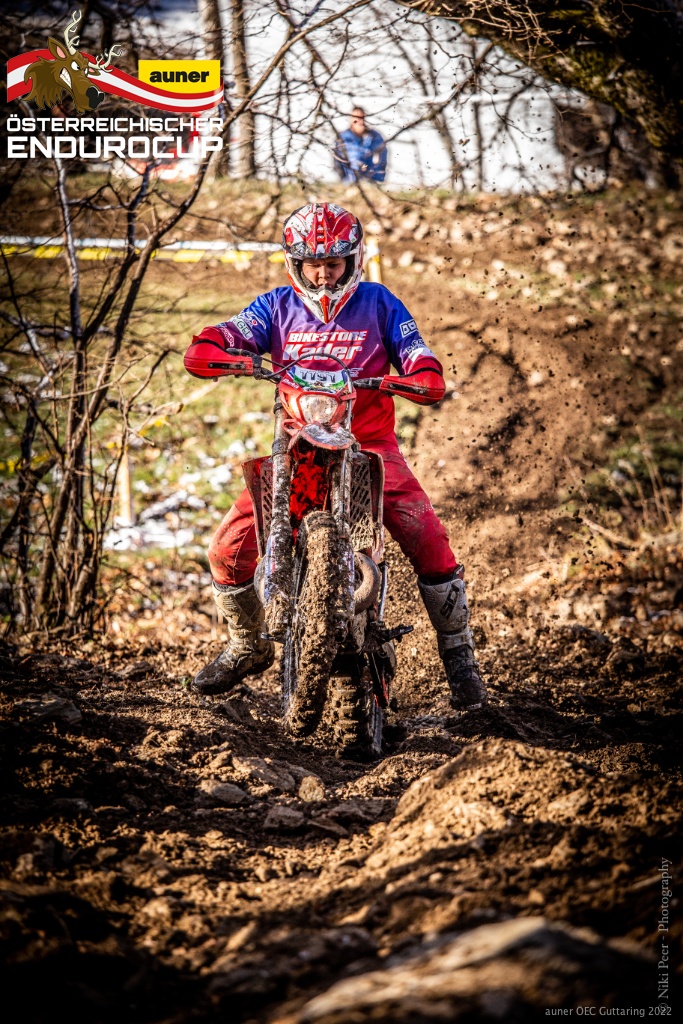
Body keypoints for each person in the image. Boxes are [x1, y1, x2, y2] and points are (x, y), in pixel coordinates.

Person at [184, 202, 487, 711]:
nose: (323, 274)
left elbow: (417, 355)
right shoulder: (275, 306)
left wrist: (419, 374)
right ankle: (247, 643)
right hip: (296, 448)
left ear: (353, 259)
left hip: (370, 447)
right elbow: (222, 337)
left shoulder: (380, 303)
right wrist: (217, 347)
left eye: (333, 263)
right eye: (312, 264)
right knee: (226, 551)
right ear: (295, 263)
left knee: (430, 539)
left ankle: (460, 656)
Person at [334, 106, 387, 184]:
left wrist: (379, 176)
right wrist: (343, 178)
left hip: (372, 182)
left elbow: (383, 158)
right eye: (356, 118)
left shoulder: (375, 137)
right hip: (350, 182)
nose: (360, 121)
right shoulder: (343, 138)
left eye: (362, 118)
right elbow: (337, 161)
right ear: (351, 119)